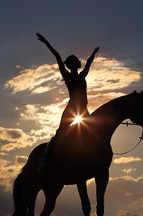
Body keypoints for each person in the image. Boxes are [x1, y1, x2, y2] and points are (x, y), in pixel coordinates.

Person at [36, 32, 99, 173]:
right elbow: (57, 56)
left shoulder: (82, 75)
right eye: (76, 60)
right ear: (73, 64)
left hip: (82, 109)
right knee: (60, 133)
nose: (79, 61)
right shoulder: (68, 75)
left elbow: (89, 62)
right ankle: (46, 160)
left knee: (93, 133)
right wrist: (46, 42)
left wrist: (94, 53)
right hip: (72, 110)